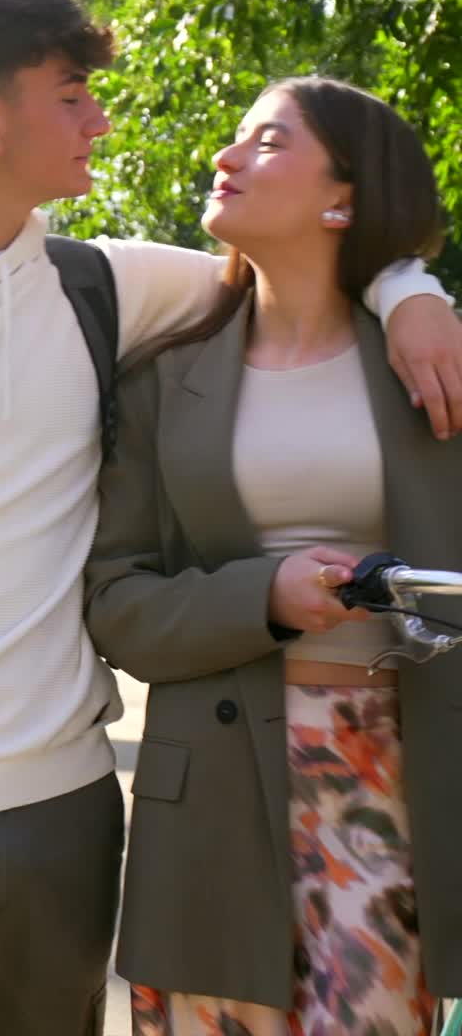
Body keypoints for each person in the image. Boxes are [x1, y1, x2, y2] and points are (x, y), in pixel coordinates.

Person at [0, 0, 459, 1036]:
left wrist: (411, 290)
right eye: (74, 95)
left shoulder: (106, 291)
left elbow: (292, 270)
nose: (101, 120)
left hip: (66, 821)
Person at [84, 76, 462, 1036]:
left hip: (398, 782)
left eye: (267, 142)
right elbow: (117, 602)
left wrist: (412, 288)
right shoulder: (163, 377)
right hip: (211, 797)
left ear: (344, 198)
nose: (225, 156)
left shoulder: (432, 360)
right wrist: (265, 597)